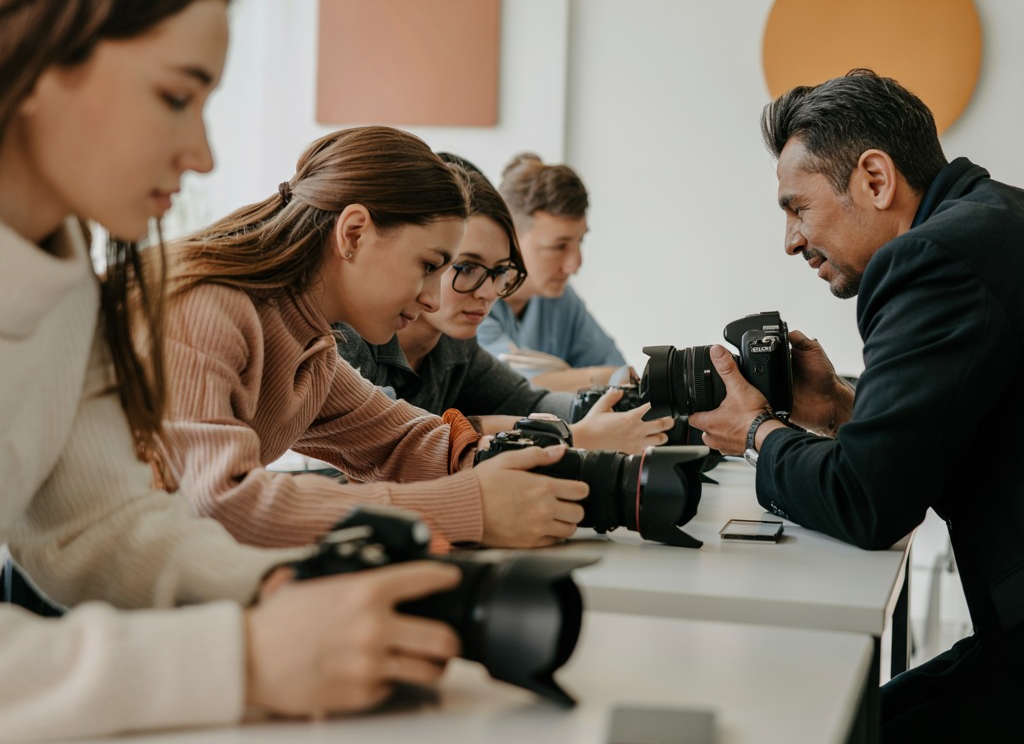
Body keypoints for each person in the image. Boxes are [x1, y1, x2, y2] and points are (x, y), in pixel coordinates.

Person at [0, 0, 468, 744]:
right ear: (35, 55)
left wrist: (272, 594)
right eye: (177, 96)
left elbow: (101, 527)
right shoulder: (196, 305)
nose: (204, 153)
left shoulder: (69, 290)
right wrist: (242, 659)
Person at [690, 69, 1024, 744]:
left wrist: (754, 434)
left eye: (796, 208)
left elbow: (868, 501)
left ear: (875, 177)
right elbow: (957, 431)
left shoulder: (930, 260)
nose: (790, 241)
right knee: (850, 738)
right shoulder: (993, 220)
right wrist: (838, 406)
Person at [159, 127, 585, 551]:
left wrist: (516, 464)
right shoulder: (207, 310)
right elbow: (216, 505)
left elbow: (401, 444)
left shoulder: (312, 349)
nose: (433, 299)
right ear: (354, 233)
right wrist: (464, 507)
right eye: (428, 265)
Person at [334, 156, 673, 454]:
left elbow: (532, 402)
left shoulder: (456, 347)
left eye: (500, 272)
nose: (489, 293)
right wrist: (572, 436)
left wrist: (620, 412)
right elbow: (400, 443)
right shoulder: (345, 340)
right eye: (466, 268)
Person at [476, 152, 628, 392]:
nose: (575, 264)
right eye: (558, 246)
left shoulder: (561, 300)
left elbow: (622, 374)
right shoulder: (472, 299)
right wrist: (603, 377)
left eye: (580, 241)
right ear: (510, 235)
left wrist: (600, 376)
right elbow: (510, 386)